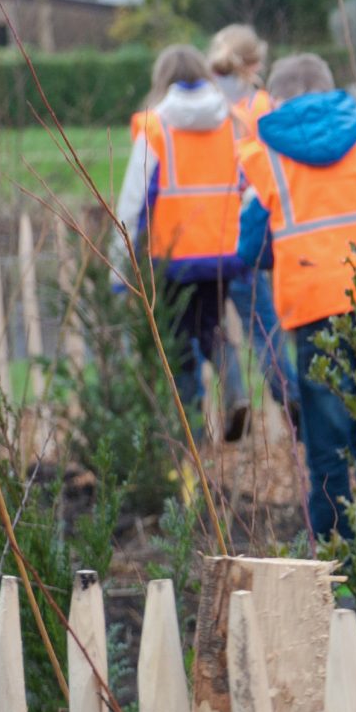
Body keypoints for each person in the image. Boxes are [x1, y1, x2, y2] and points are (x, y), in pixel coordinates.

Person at [233, 53, 356, 544]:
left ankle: (334, 545)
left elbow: (251, 249)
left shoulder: (268, 156)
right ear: (332, 87)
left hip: (314, 306)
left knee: (326, 436)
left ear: (276, 101)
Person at [113, 44, 252, 434]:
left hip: (172, 258)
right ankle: (236, 391)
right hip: (223, 252)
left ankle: (191, 422)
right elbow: (249, 185)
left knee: (177, 339)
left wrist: (119, 267)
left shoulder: (155, 128)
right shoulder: (231, 122)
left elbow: (132, 202)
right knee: (213, 326)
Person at [208, 24, 298, 423]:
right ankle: (292, 399)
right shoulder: (262, 105)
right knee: (264, 329)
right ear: (256, 62)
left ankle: (234, 395)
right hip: (246, 234)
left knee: (208, 326)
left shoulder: (201, 100)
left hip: (202, 235)